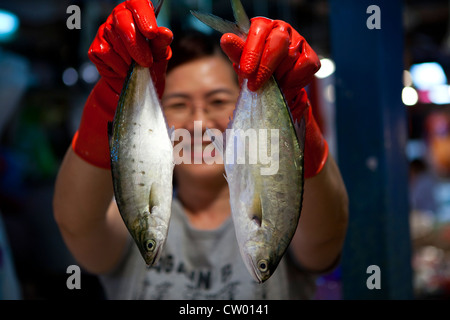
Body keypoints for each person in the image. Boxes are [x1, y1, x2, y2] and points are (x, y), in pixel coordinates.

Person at [53, 0, 348, 299]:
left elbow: (328, 237)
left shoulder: (290, 224)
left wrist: (293, 109)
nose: (198, 123)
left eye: (218, 101)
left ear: (243, 108)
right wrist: (112, 96)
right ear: (156, 120)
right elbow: (76, 223)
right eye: (178, 104)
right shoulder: (132, 221)